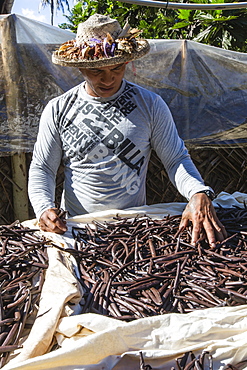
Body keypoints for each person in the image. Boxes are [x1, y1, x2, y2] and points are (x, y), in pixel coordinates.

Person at [28, 13, 227, 246]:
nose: (108, 79)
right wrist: (43, 208)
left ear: (126, 63)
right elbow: (43, 167)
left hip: (132, 228)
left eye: (116, 69)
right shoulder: (59, 109)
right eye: (97, 71)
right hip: (75, 227)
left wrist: (197, 192)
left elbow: (175, 159)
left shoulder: (150, 105)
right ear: (80, 67)